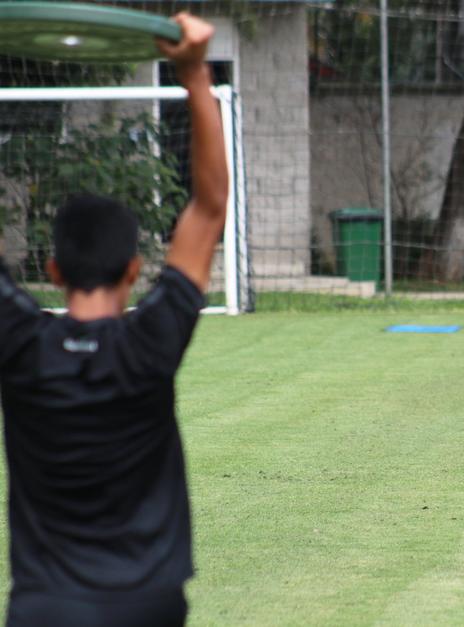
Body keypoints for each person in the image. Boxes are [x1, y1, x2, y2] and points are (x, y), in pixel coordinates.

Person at [0, 14, 227, 626]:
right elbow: (209, 207)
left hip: (45, 607)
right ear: (134, 269)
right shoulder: (150, 341)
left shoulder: (19, 342)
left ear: (51, 268)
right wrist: (193, 72)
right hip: (146, 604)